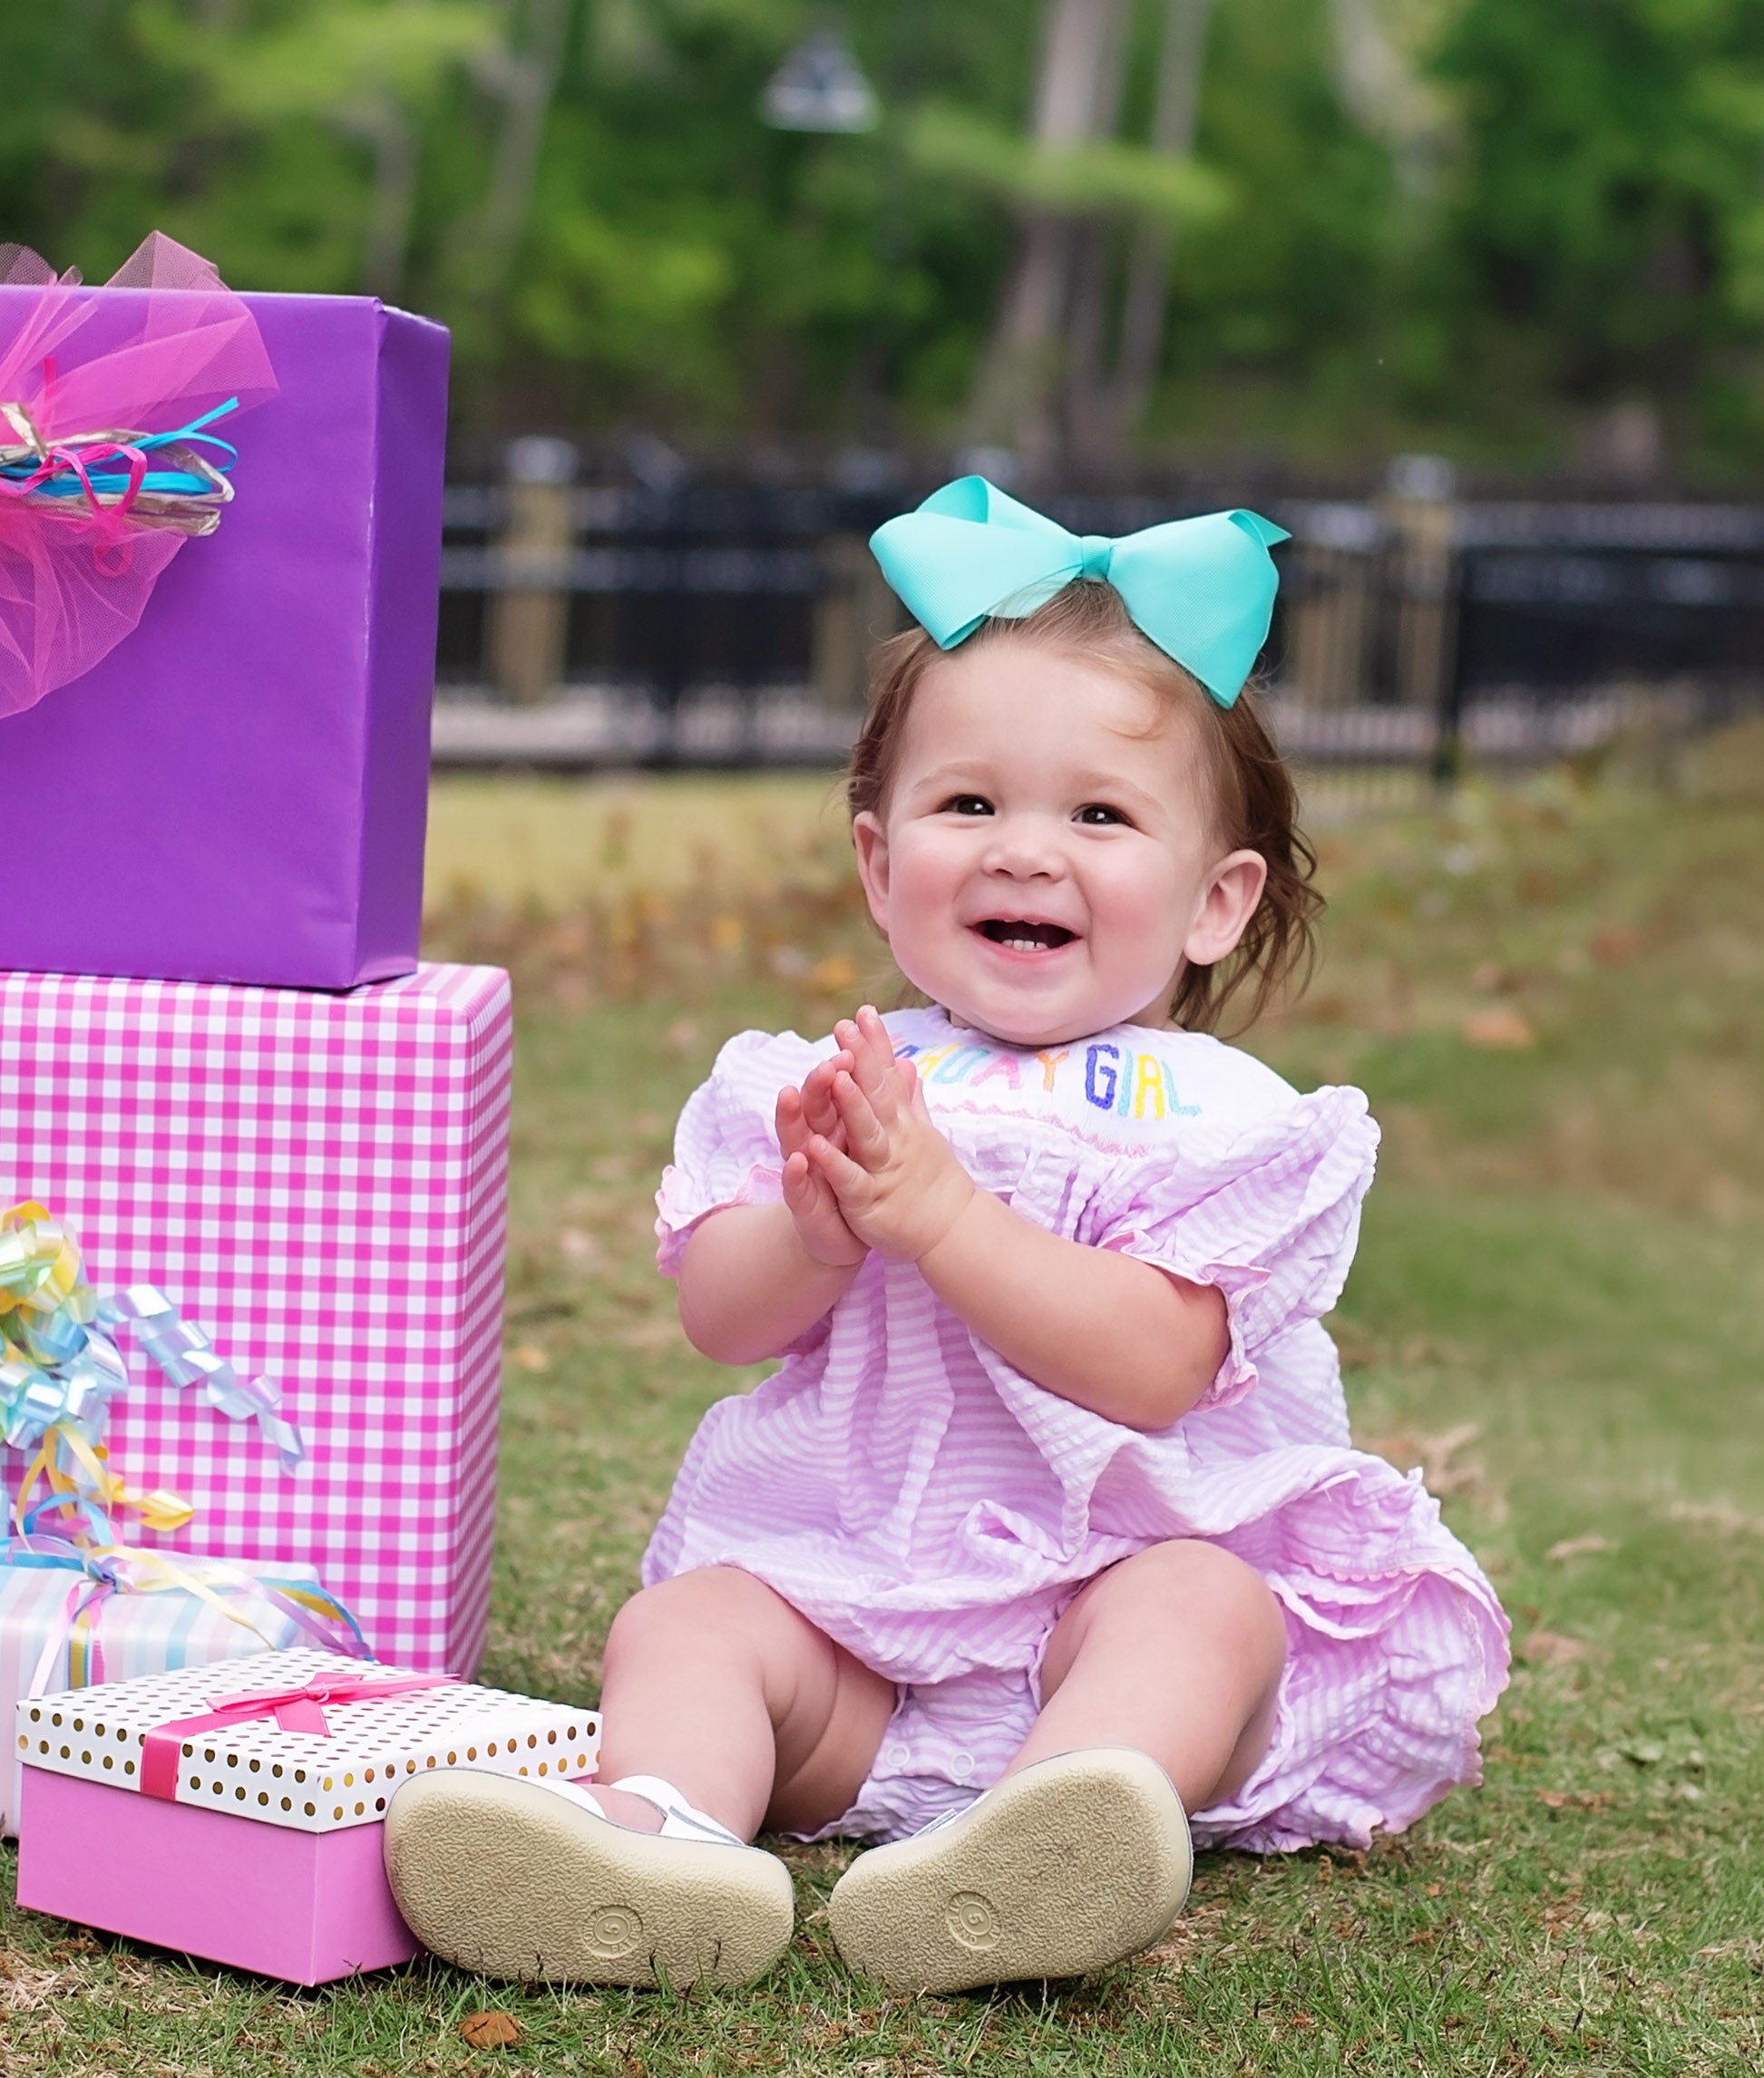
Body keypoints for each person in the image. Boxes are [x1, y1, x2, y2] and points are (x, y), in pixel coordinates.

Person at [385, 479, 1509, 1993]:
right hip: (861, 1625)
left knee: (1205, 1608)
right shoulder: (832, 1081)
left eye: (1100, 815)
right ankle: (660, 1838)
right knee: (691, 1622)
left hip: (1110, 1610)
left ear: (1215, 900)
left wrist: (944, 1218)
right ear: (878, 862)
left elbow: (1159, 1365)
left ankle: (1053, 1834)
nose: (1024, 853)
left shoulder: (1224, 1121)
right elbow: (719, 1317)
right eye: (969, 805)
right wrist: (816, 1233)